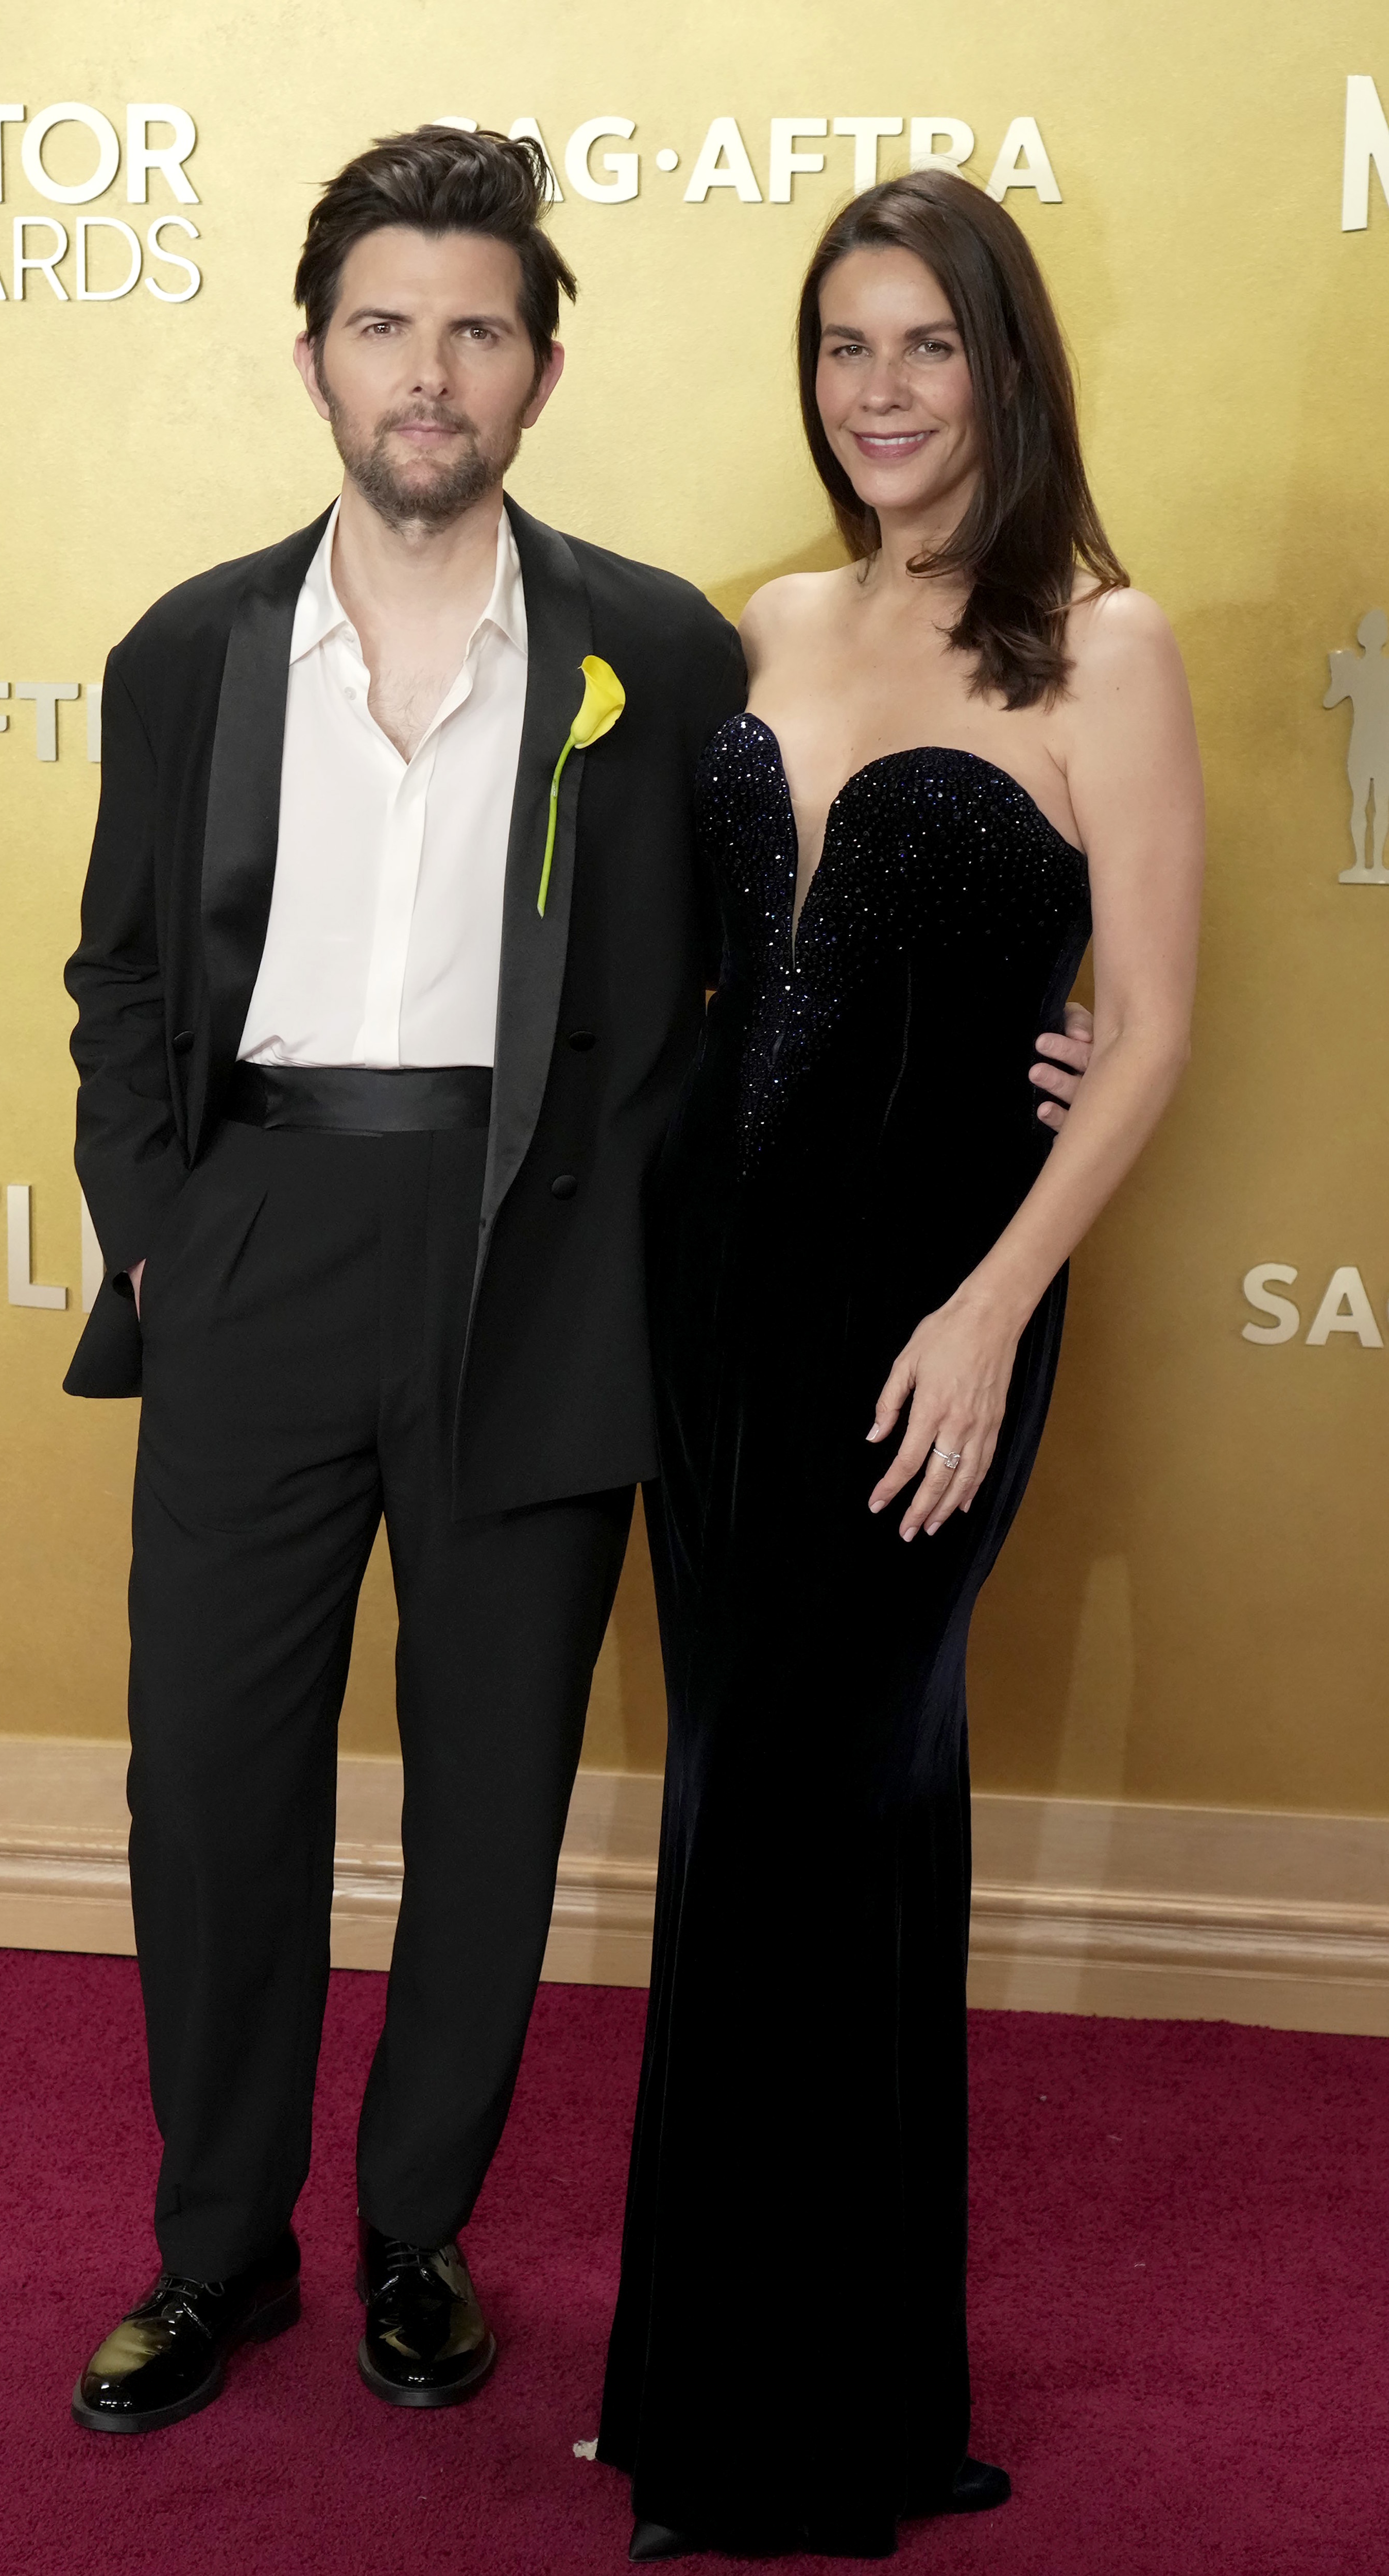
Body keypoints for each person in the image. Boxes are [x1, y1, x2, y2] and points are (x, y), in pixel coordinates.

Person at [62, 128, 1091, 2442]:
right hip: (259, 1240)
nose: (428, 373)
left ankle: (417, 2230)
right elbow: (119, 974)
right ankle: (215, 2249)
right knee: (208, 1788)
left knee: (498, 1786)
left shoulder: (664, 648)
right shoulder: (187, 651)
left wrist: (1041, 1006)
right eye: (384, 325)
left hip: (551, 1265)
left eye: (478, 330)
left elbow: (807, 924)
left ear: (539, 371)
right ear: (316, 355)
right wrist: (157, 1225)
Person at [597, 170, 1203, 2561]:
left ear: (1005, 366)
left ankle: (772, 2433)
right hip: (715, 1298)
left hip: (934, 1311)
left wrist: (992, 1300)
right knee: (771, 1812)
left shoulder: (1103, 643)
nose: (882, 390)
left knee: (812, 1803)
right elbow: (735, 972)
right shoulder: (775, 618)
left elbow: (1152, 1026)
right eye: (846, 345)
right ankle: (806, 2387)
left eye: (929, 344)